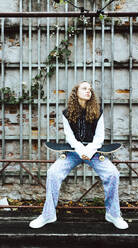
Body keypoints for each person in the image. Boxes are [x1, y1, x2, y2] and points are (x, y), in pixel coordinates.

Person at [29, 81, 128, 229]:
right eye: (84, 88)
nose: (88, 91)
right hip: (74, 151)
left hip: (94, 152)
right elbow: (70, 137)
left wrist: (89, 151)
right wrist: (81, 151)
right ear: (76, 92)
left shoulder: (98, 111)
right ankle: (48, 214)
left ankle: (113, 214)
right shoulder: (67, 113)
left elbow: (99, 137)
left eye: (90, 89)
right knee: (53, 173)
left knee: (113, 173)